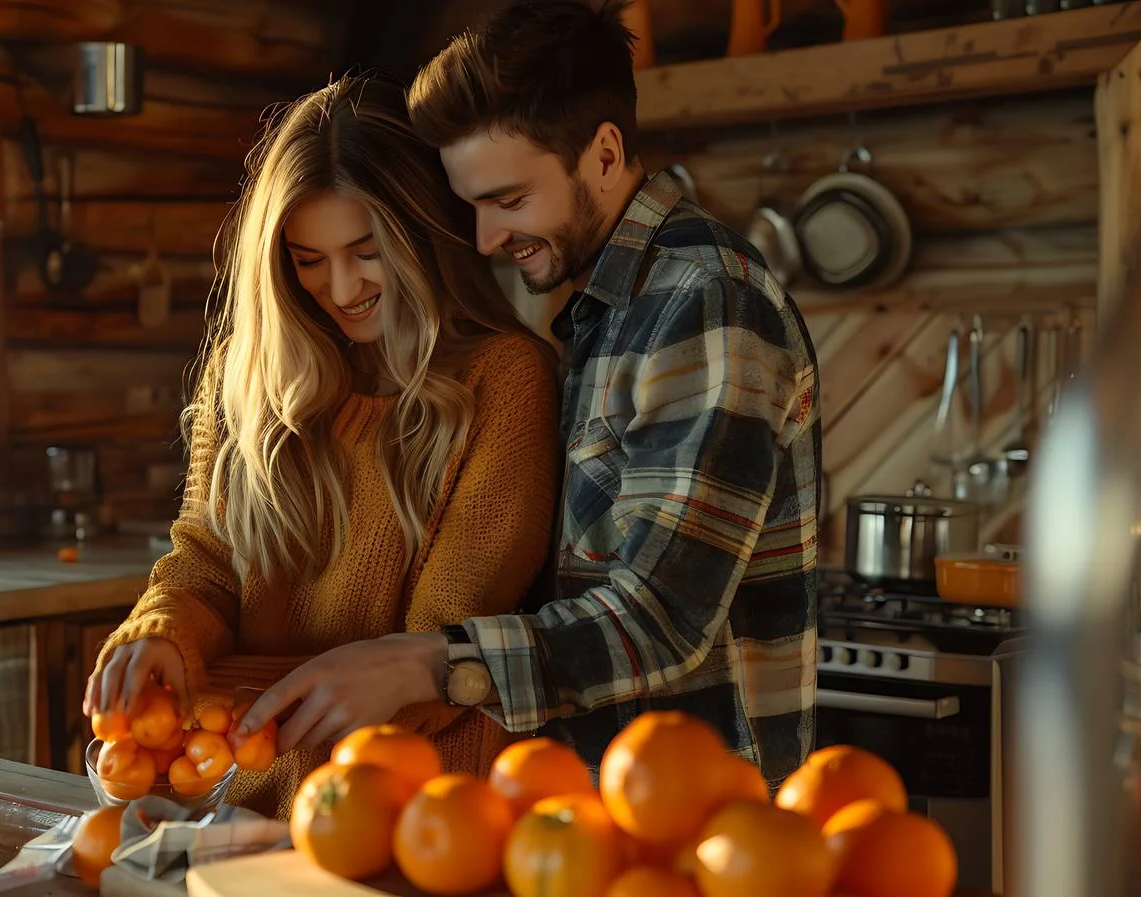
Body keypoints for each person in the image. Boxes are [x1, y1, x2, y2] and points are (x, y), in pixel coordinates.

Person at [236, 0, 821, 788]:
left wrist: (429, 663)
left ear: (605, 154)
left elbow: (662, 617)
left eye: (508, 201)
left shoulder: (702, 301)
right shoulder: (609, 308)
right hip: (611, 803)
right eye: (472, 205)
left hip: (706, 814)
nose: (484, 240)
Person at [83, 71, 561, 819]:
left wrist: (241, 677)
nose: (341, 288)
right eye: (309, 260)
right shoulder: (247, 375)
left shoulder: (505, 380)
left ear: (421, 233)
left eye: (366, 250)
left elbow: (438, 647)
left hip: (411, 810)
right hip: (241, 800)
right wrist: (166, 633)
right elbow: (207, 564)